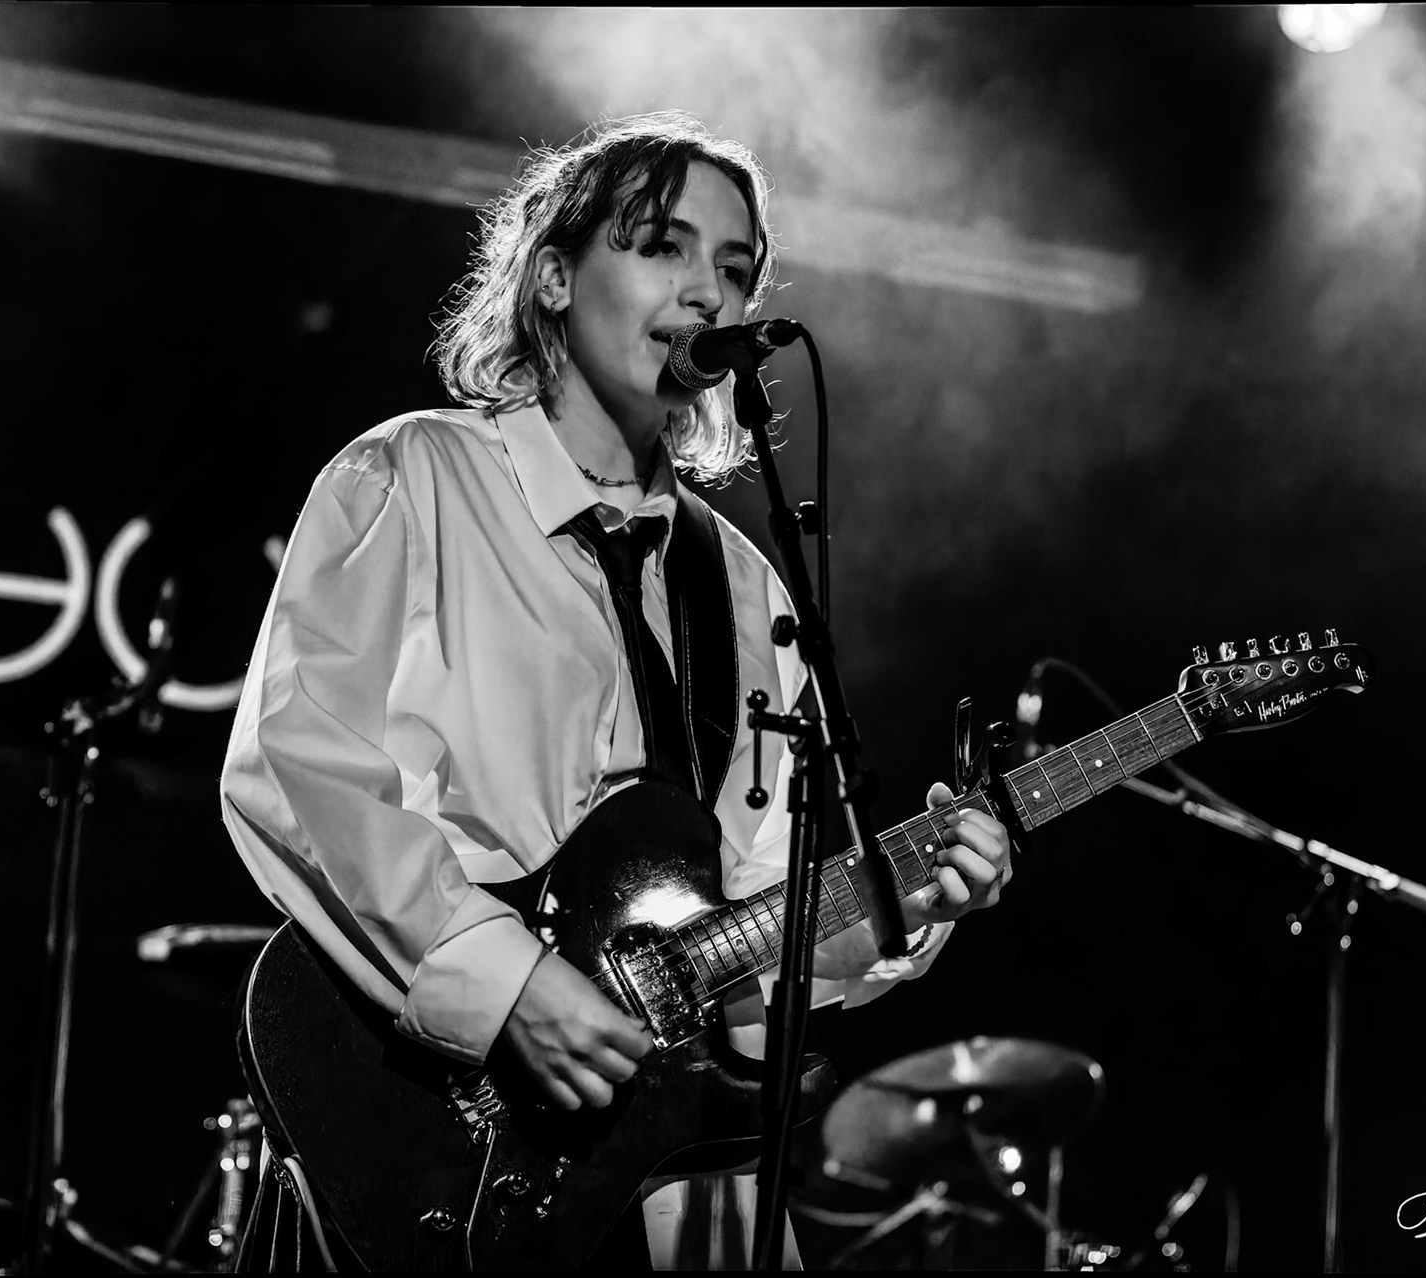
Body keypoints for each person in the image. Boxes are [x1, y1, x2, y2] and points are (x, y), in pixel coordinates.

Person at [219, 110, 1014, 1270]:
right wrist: (506, 986)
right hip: (445, 1125)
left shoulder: (745, 583)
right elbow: (298, 773)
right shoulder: (413, 477)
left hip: (683, 1184)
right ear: (553, 277)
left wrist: (910, 905)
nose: (707, 292)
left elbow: (750, 919)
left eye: (734, 268)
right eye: (664, 247)